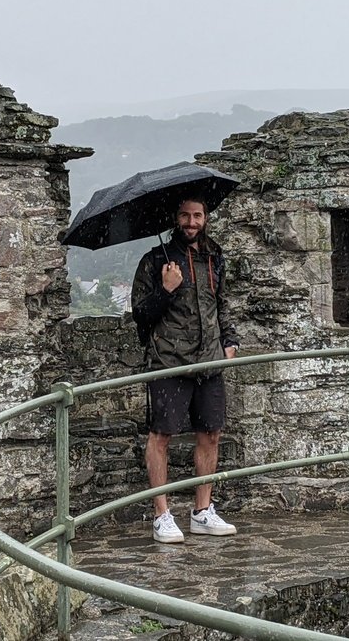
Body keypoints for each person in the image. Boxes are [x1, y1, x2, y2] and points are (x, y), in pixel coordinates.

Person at [132, 196, 240, 543]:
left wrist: (230, 340)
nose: (192, 222)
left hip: (209, 360)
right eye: (185, 215)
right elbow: (141, 315)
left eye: (198, 215)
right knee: (161, 437)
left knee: (211, 434)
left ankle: (202, 511)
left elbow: (222, 303)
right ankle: (162, 514)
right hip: (169, 361)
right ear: (175, 218)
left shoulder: (215, 257)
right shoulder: (155, 262)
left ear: (205, 218)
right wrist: (165, 290)